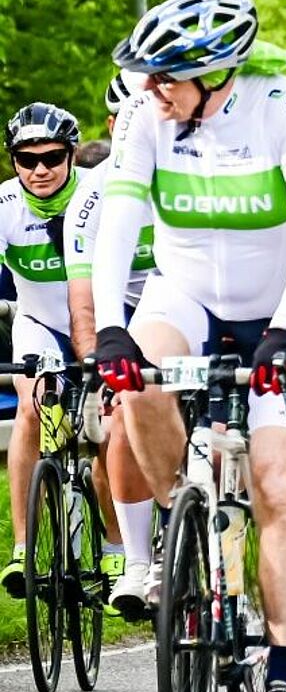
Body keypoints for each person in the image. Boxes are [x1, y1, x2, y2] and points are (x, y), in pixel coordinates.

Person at [93, 0, 286, 692]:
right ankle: (179, 521)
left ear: (216, 74)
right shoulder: (144, 115)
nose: (150, 89)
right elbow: (119, 224)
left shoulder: (282, 107)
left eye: (166, 77)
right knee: (137, 382)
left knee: (276, 483)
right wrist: (109, 327)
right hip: (187, 289)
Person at [65, 71, 157, 587]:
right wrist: (96, 359)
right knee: (122, 418)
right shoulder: (93, 195)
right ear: (113, 124)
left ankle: (229, 573)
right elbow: (84, 298)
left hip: (183, 314)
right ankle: (136, 560)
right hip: (121, 320)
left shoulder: (188, 181)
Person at [0, 104, 84, 598]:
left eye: (52, 157)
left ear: (71, 155)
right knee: (30, 407)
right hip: (40, 324)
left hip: (100, 321)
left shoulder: (96, 194)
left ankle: (123, 552)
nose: (40, 170)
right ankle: (23, 545)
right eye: (26, 159)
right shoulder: (7, 203)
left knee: (116, 428)